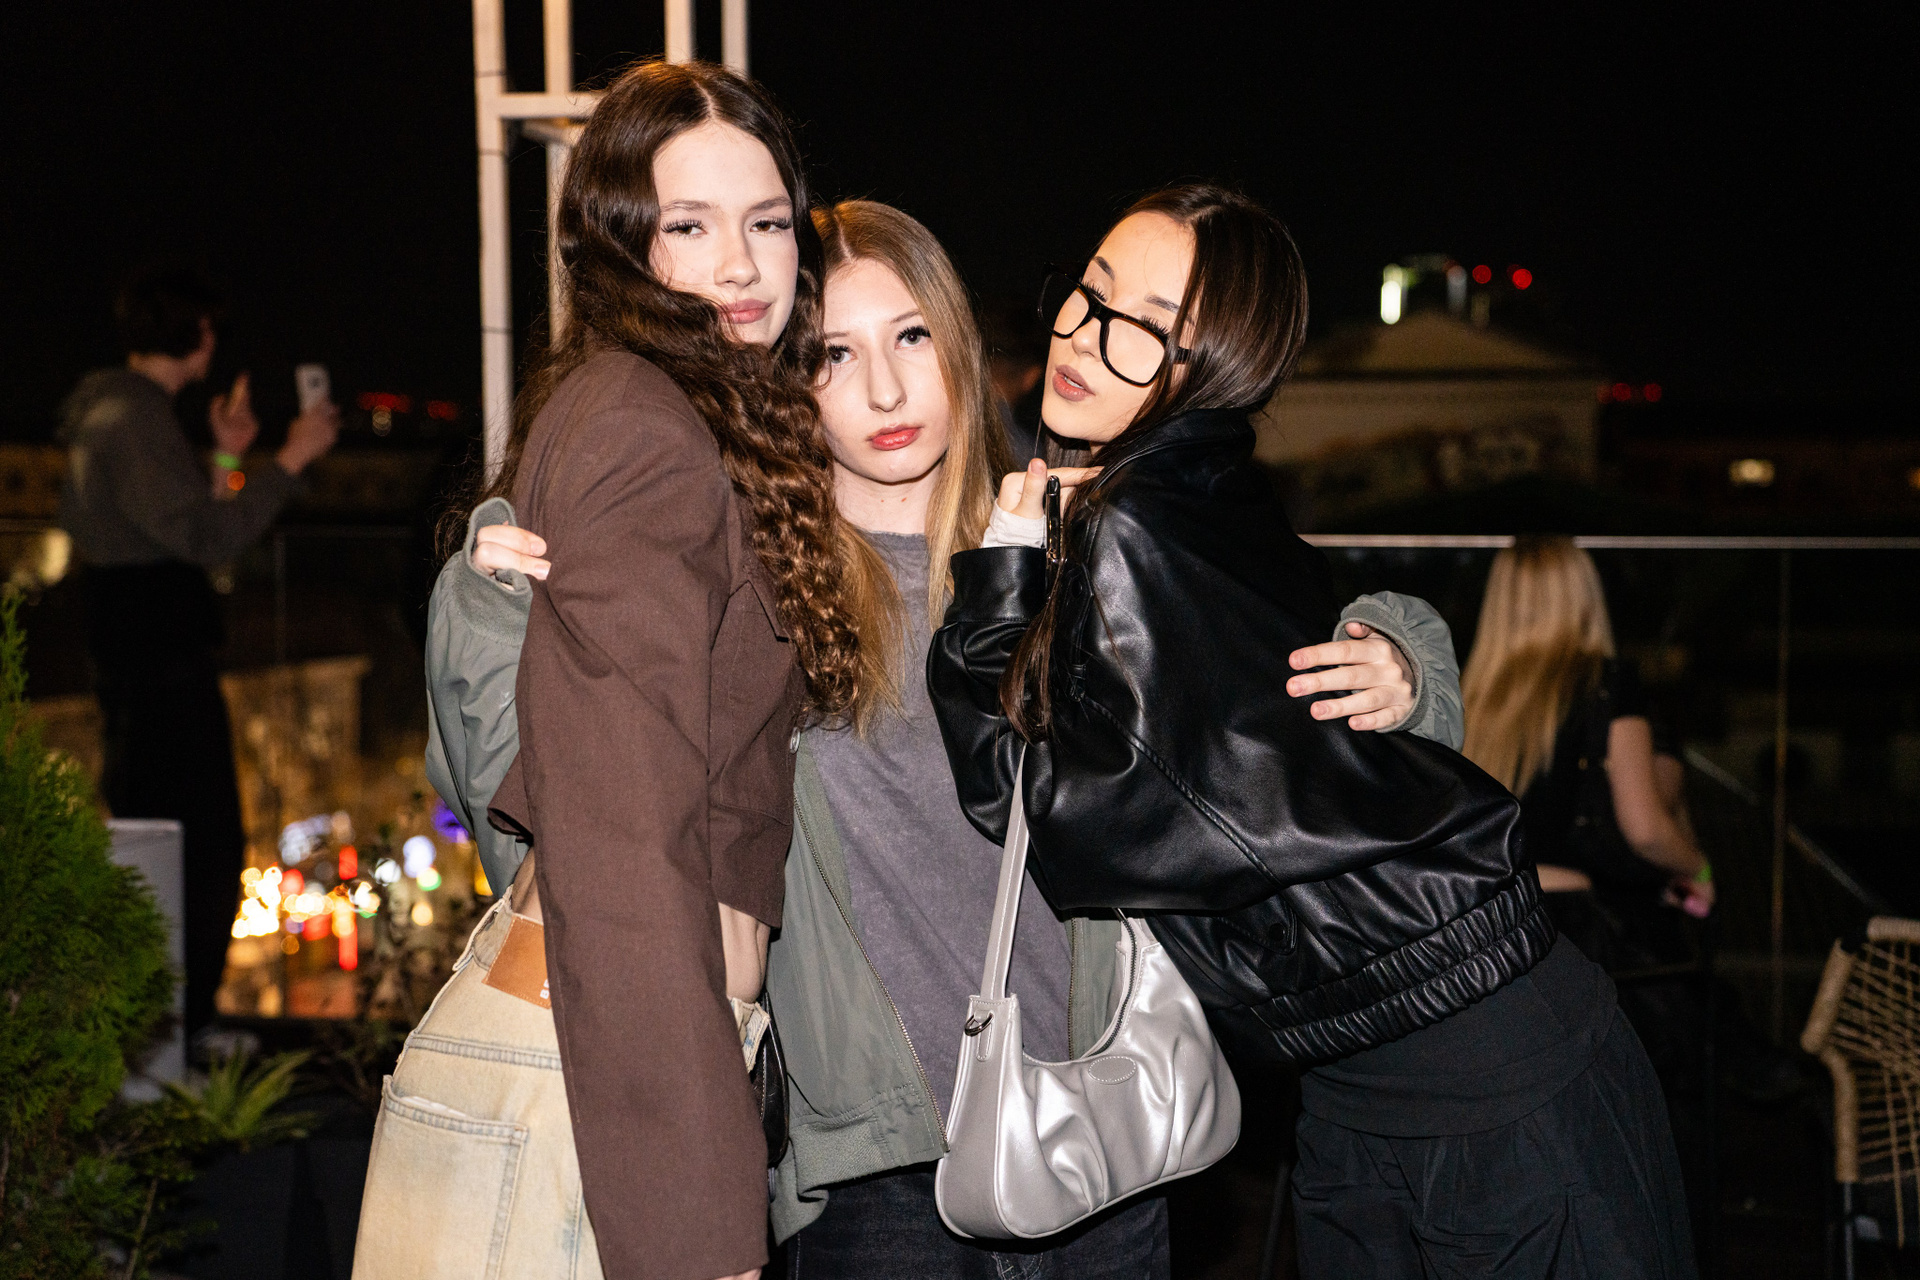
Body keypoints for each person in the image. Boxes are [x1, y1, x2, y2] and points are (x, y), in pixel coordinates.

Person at [451, 201, 1455, 1277]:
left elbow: (1266, 657)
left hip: (1099, 1132)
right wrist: (488, 611)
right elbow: (565, 822)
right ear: (784, 379)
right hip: (881, 1179)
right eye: (834, 354)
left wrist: (1400, 655)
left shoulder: (1066, 547)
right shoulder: (744, 586)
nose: (885, 391)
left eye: (911, 336)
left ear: (960, 344)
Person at [927, 185, 1696, 1279]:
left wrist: (996, 586)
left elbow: (1039, 805)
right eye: (1090, 294)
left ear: (1219, 364)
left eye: (1147, 325)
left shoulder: (1134, 520)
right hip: (1391, 1069)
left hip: (1484, 1079)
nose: (1088, 337)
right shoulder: (1206, 488)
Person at [355, 62, 860, 1280]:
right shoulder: (645, 422)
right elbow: (623, 824)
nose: (741, 264)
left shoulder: (684, 414)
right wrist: (696, 1215)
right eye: (689, 226)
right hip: (586, 1086)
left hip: (585, 1065)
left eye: (767, 222)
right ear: (620, 245)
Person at [57, 263, 339, 1040]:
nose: (215, 342)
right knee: (197, 843)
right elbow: (204, 539)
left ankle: (179, 1022)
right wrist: (290, 461)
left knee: (180, 837)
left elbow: (180, 528)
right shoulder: (132, 419)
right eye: (210, 328)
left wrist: (227, 457)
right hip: (158, 661)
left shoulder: (125, 412)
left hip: (145, 655)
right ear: (192, 333)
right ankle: (178, 1028)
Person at [1460, 536, 1713, 916]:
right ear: (1583, 596)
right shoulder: (1606, 683)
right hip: (1571, 916)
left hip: (1489, 915)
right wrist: (1699, 867)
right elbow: (1645, 830)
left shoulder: (1470, 697)